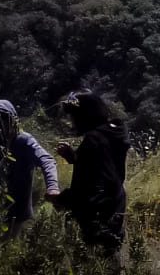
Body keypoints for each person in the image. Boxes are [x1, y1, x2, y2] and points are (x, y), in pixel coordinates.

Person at [52, 91, 129, 256]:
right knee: (112, 257)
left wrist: (62, 199)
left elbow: (90, 183)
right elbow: (104, 165)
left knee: (92, 264)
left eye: (74, 116)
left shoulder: (93, 140)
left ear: (84, 116)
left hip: (97, 211)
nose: (72, 122)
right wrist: (75, 158)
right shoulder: (114, 132)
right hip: (116, 201)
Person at [0, 99, 60, 237]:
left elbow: (47, 160)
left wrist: (53, 187)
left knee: (9, 247)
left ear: (13, 122)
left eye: (2, 121)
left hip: (16, 209)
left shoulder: (23, 140)